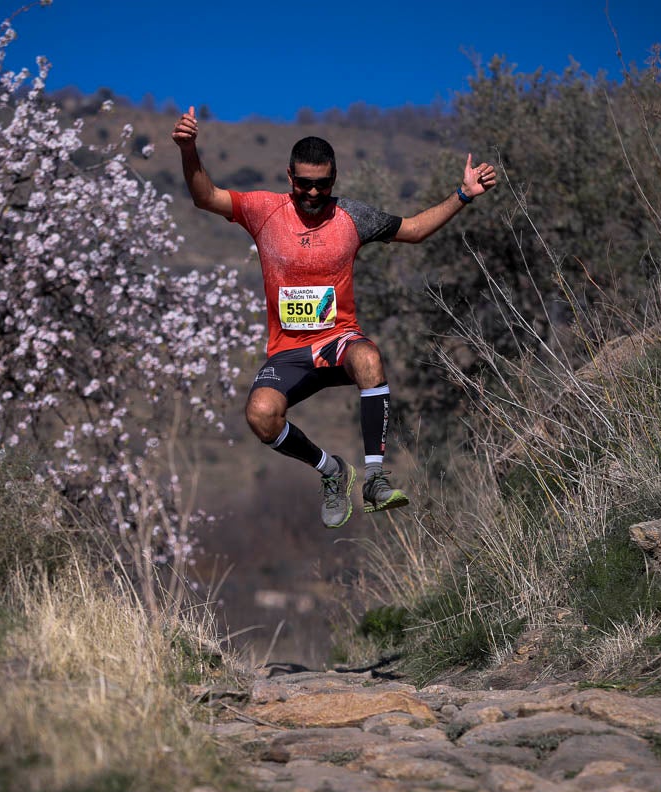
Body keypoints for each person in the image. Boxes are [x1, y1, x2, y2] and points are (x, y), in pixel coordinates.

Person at [171, 106, 496, 528]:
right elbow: (204, 196)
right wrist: (189, 148)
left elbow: (414, 229)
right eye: (304, 184)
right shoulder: (263, 210)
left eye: (321, 185)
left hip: (337, 340)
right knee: (261, 415)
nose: (312, 193)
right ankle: (332, 471)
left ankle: (376, 480)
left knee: (370, 358)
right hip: (288, 352)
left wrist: (463, 194)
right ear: (290, 178)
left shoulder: (352, 217)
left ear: (334, 179)